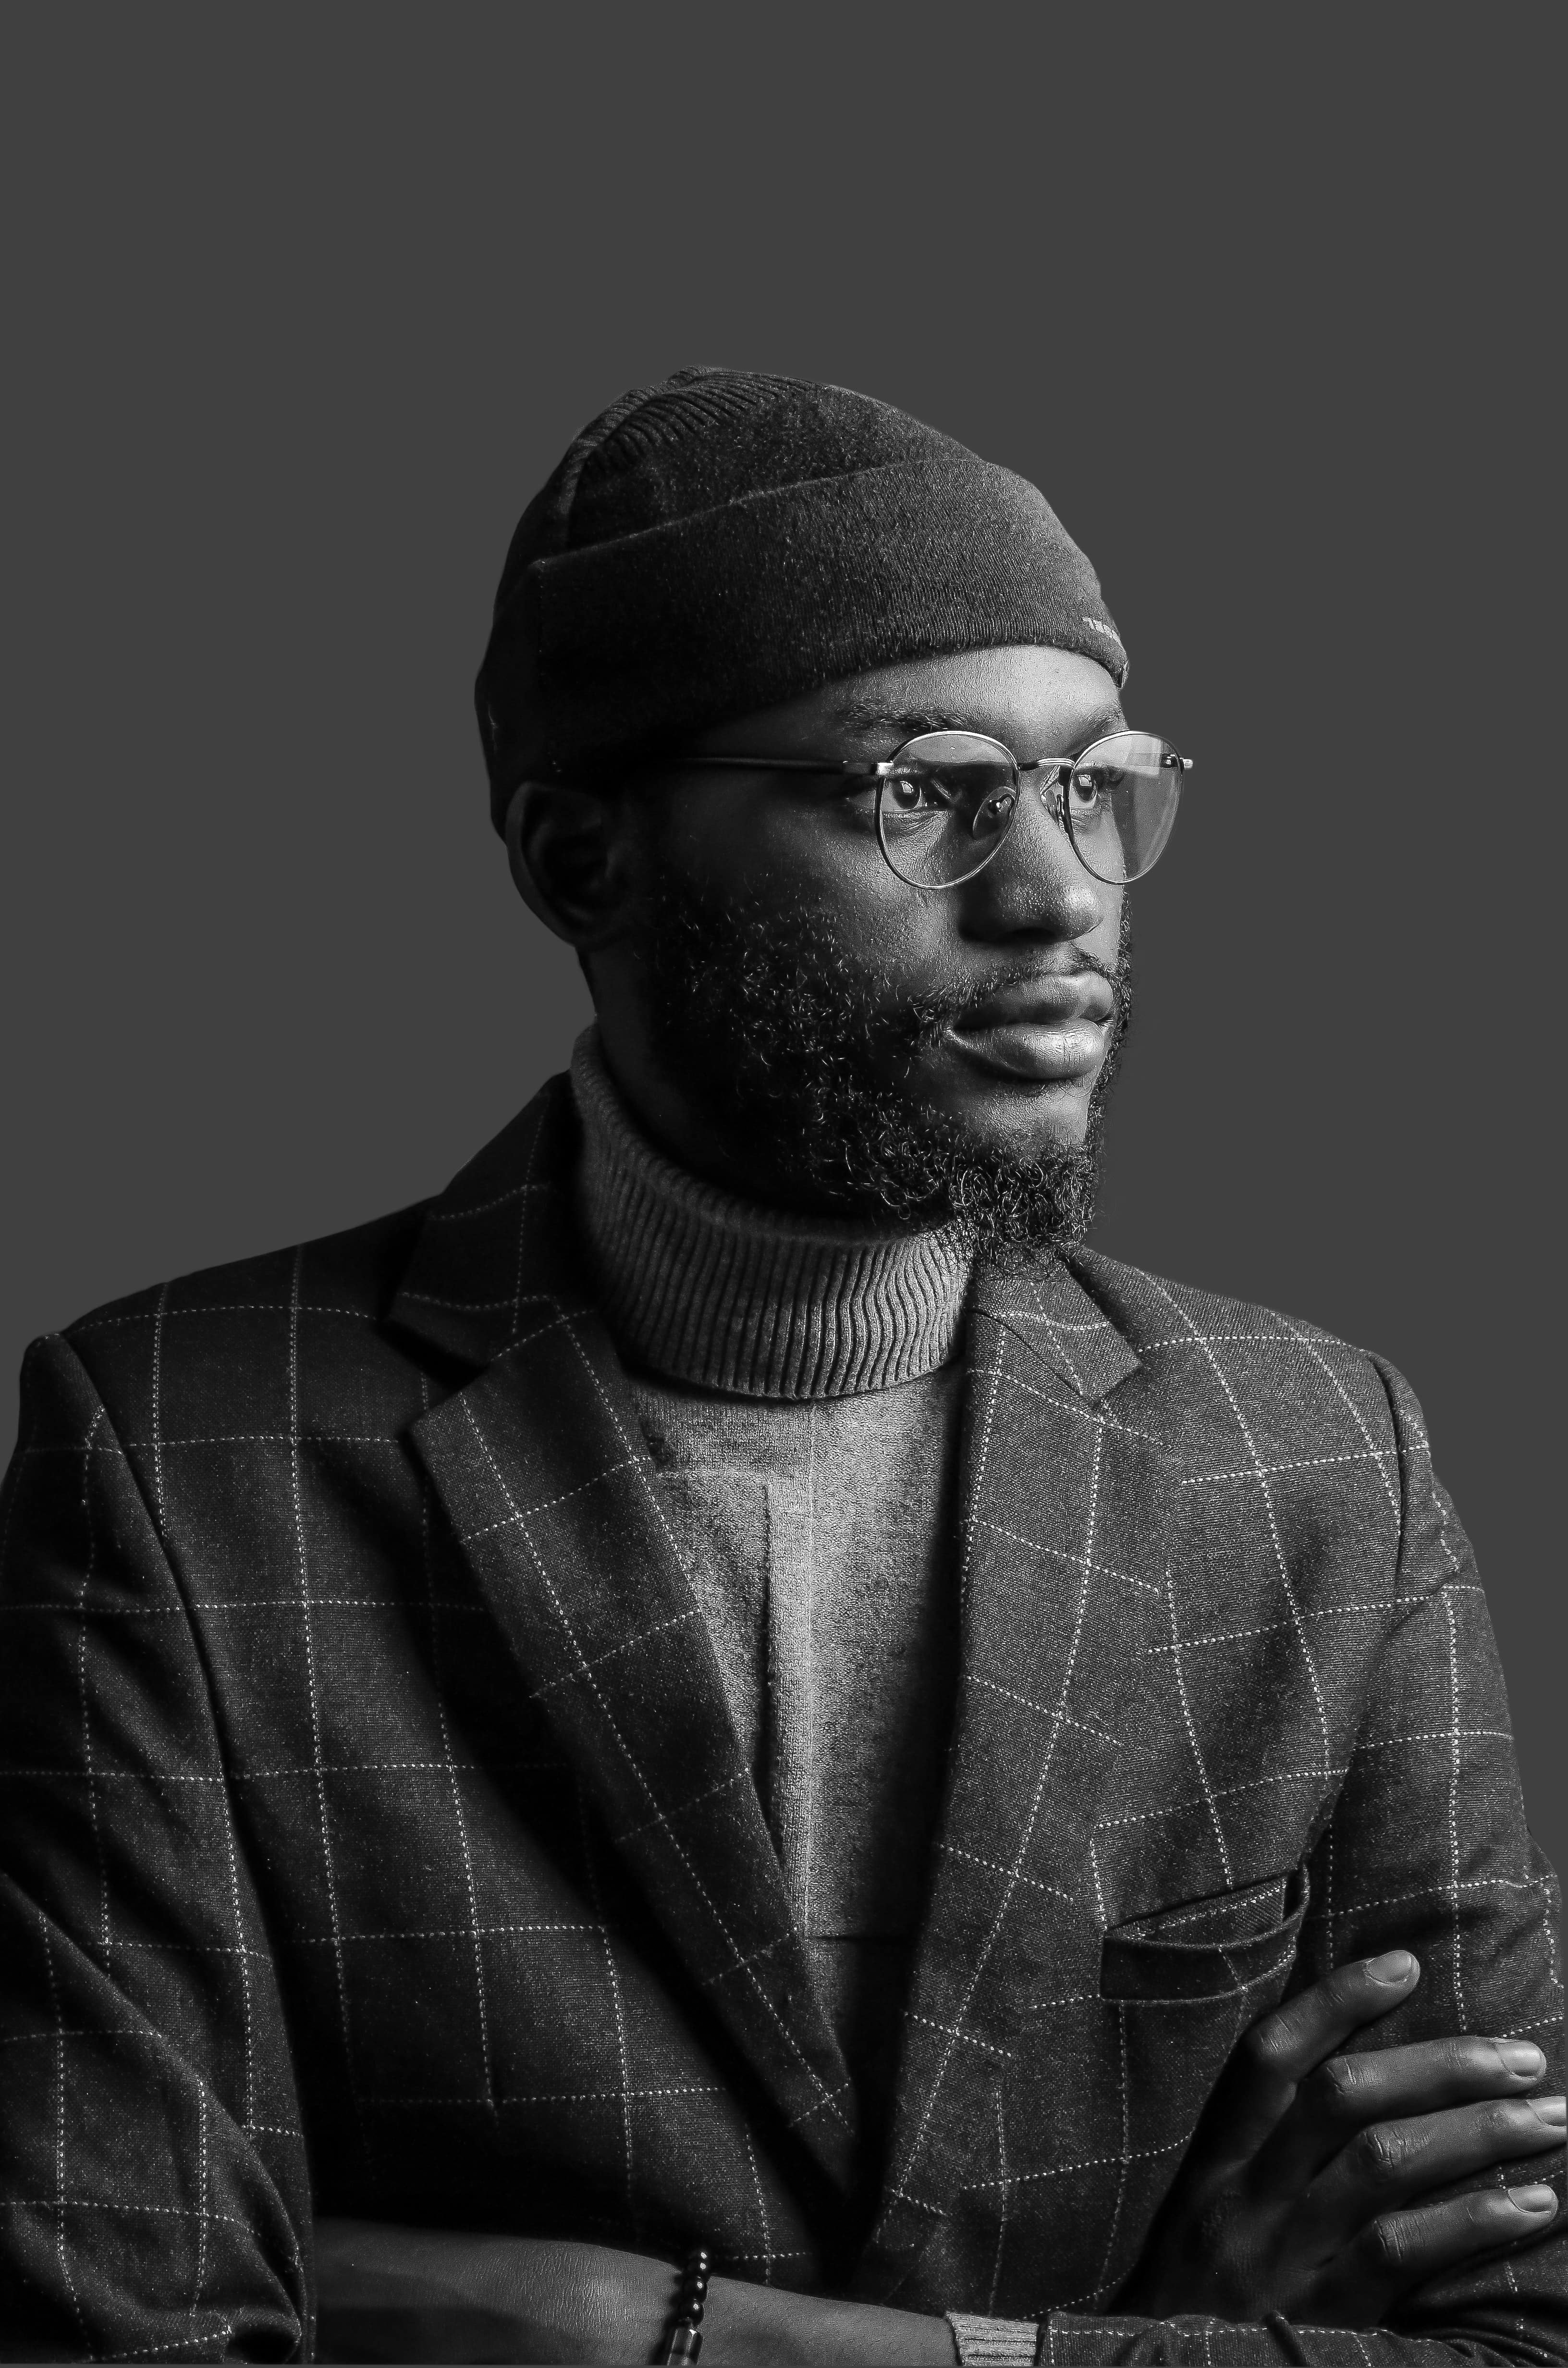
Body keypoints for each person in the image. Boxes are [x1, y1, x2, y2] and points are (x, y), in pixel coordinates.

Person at [0, 369, 1560, 2367]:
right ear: (582, 861)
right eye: (918, 789)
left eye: (1097, 782)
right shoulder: (179, 1458)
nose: (1058, 892)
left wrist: (654, 2329)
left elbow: (1514, 2344)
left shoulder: (1323, 1458)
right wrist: (1158, 2343)